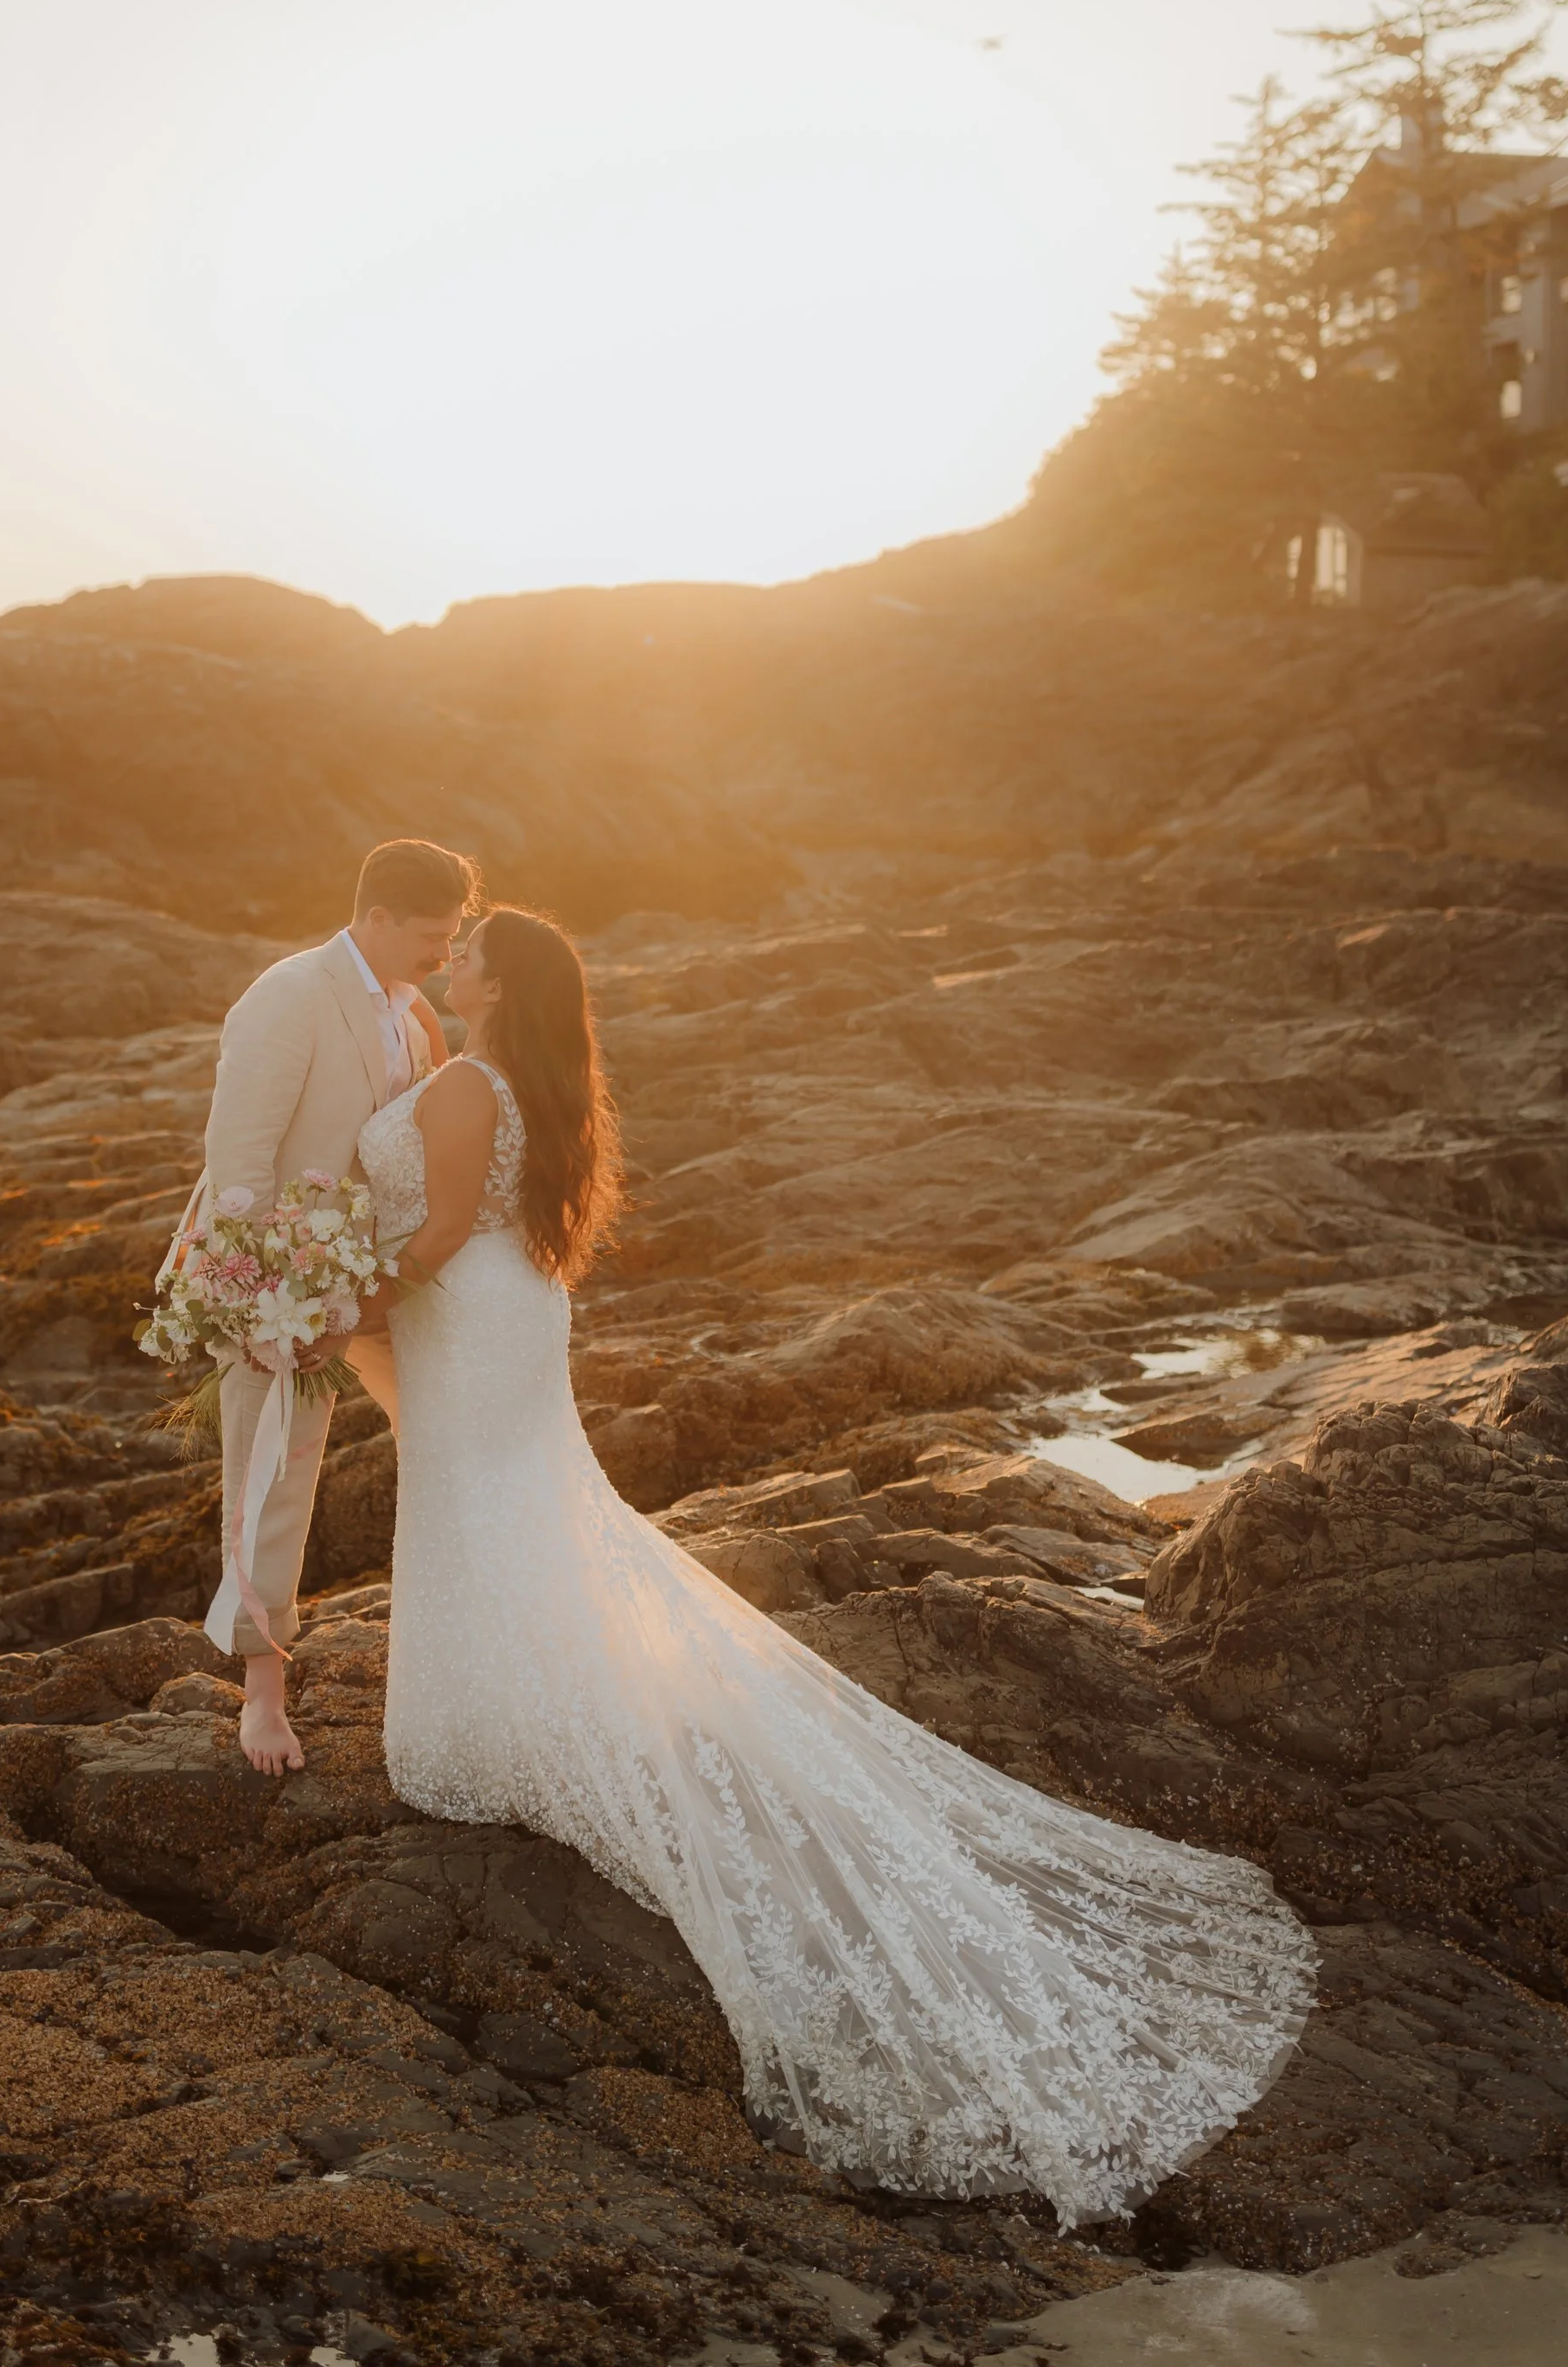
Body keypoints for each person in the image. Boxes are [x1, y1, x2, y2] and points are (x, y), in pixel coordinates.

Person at [353, 904, 1315, 2223]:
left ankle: (501, 1714)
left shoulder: (471, 1079)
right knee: (507, 1504)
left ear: (499, 982)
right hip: (509, 1315)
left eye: (468, 950)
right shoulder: (519, 1080)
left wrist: (325, 1293)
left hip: (469, 1310)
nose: (449, 957)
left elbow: (442, 1227)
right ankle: (511, 1696)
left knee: (489, 1501)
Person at [195, 835, 480, 1775]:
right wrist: (262, 1293)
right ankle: (263, 1695)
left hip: (385, 1278)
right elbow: (237, 1162)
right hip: (290, 1282)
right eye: (431, 938)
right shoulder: (288, 998)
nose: (445, 956)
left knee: (459, 1434)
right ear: (375, 916)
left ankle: (470, 1645)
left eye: (455, 940)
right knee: (274, 1474)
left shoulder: (409, 1006)